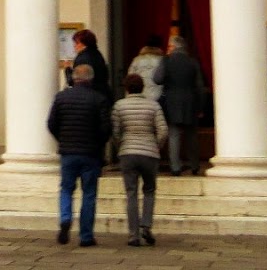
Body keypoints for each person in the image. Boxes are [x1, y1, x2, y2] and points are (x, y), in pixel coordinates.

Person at [47, 63, 111, 247]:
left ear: (74, 78)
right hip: (90, 153)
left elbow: (51, 123)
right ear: (90, 79)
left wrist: (63, 139)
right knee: (89, 193)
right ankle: (86, 236)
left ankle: (65, 218)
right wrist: (98, 143)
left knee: (66, 188)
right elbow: (105, 128)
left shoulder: (61, 97)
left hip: (68, 152)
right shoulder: (98, 99)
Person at [111, 72, 167, 248]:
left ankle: (133, 234)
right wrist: (156, 145)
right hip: (149, 153)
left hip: (128, 153)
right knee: (149, 190)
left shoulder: (119, 106)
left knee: (131, 193)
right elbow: (163, 130)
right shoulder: (153, 106)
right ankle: (146, 225)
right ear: (142, 87)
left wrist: (121, 145)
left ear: (126, 88)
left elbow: (115, 130)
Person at [153, 35, 206, 176]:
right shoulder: (192, 62)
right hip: (191, 102)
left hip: (171, 102)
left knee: (174, 135)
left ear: (172, 47)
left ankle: (175, 167)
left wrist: (164, 62)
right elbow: (200, 86)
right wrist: (201, 106)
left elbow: (157, 79)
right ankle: (194, 165)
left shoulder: (166, 60)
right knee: (191, 136)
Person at [71, 30, 111, 103]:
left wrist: (67, 70)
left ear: (84, 44)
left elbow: (75, 81)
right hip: (102, 95)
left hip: (87, 98)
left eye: (77, 43)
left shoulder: (81, 58)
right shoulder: (98, 55)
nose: (74, 46)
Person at [126, 35, 165, 104]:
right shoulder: (162, 61)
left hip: (140, 97)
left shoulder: (137, 60)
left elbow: (130, 80)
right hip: (158, 98)